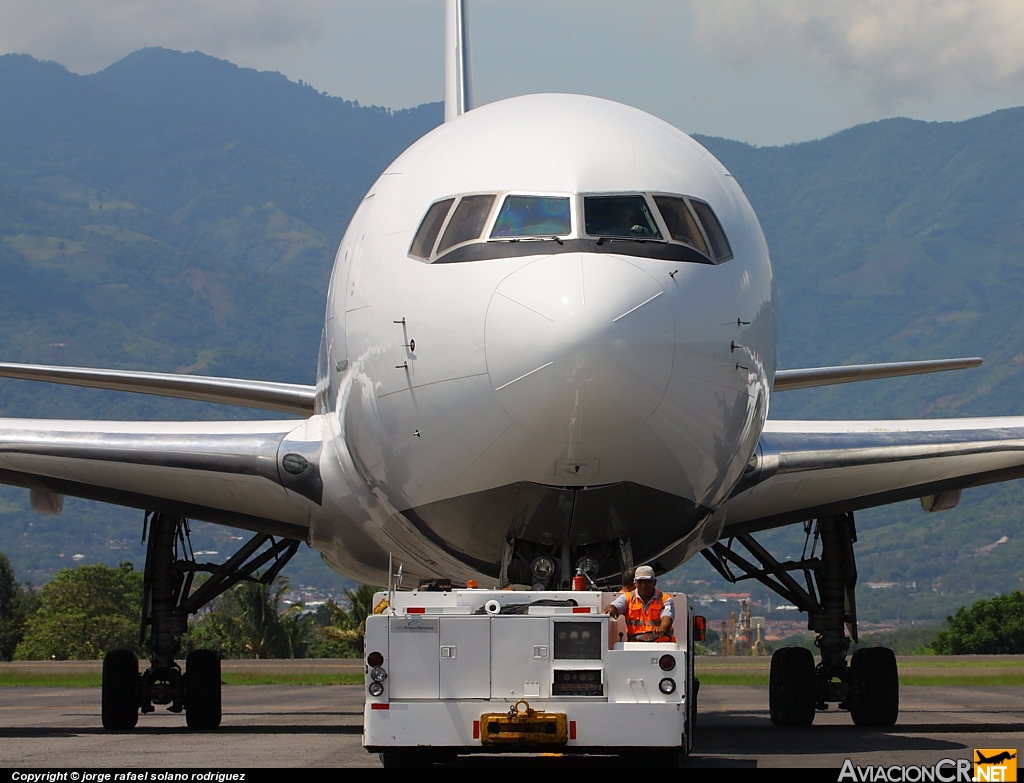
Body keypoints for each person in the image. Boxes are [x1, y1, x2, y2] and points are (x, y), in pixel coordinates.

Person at [604, 565, 675, 642]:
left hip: (662, 646)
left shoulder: (665, 599)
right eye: (640, 581)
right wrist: (612, 609)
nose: (643, 585)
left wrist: (662, 627)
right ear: (635, 583)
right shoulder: (627, 598)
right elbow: (616, 606)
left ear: (654, 582)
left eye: (648, 581)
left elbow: (667, 617)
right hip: (636, 647)